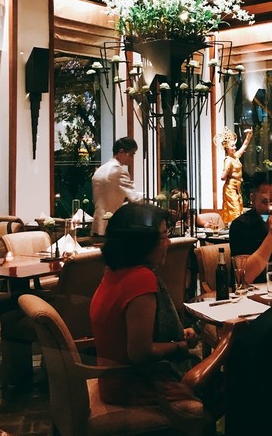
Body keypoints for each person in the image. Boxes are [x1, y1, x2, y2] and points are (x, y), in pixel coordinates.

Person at [90, 202, 200, 406]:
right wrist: (178, 346)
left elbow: (127, 332)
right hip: (137, 386)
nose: (168, 243)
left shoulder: (113, 272)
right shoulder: (141, 278)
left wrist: (177, 335)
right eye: (164, 236)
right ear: (143, 243)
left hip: (112, 381)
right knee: (235, 379)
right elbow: (140, 353)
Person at [91, 137, 143, 236]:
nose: (132, 158)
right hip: (113, 225)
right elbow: (135, 198)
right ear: (121, 151)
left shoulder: (100, 170)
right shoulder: (118, 171)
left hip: (97, 224)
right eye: (131, 154)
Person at [214, 126, 252, 225]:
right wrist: (230, 175)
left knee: (239, 208)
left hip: (237, 187)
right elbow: (223, 177)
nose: (235, 147)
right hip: (230, 188)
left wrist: (248, 136)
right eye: (232, 146)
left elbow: (244, 146)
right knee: (235, 210)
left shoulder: (235, 157)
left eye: (234, 145)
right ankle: (234, 228)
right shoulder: (228, 160)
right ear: (227, 148)